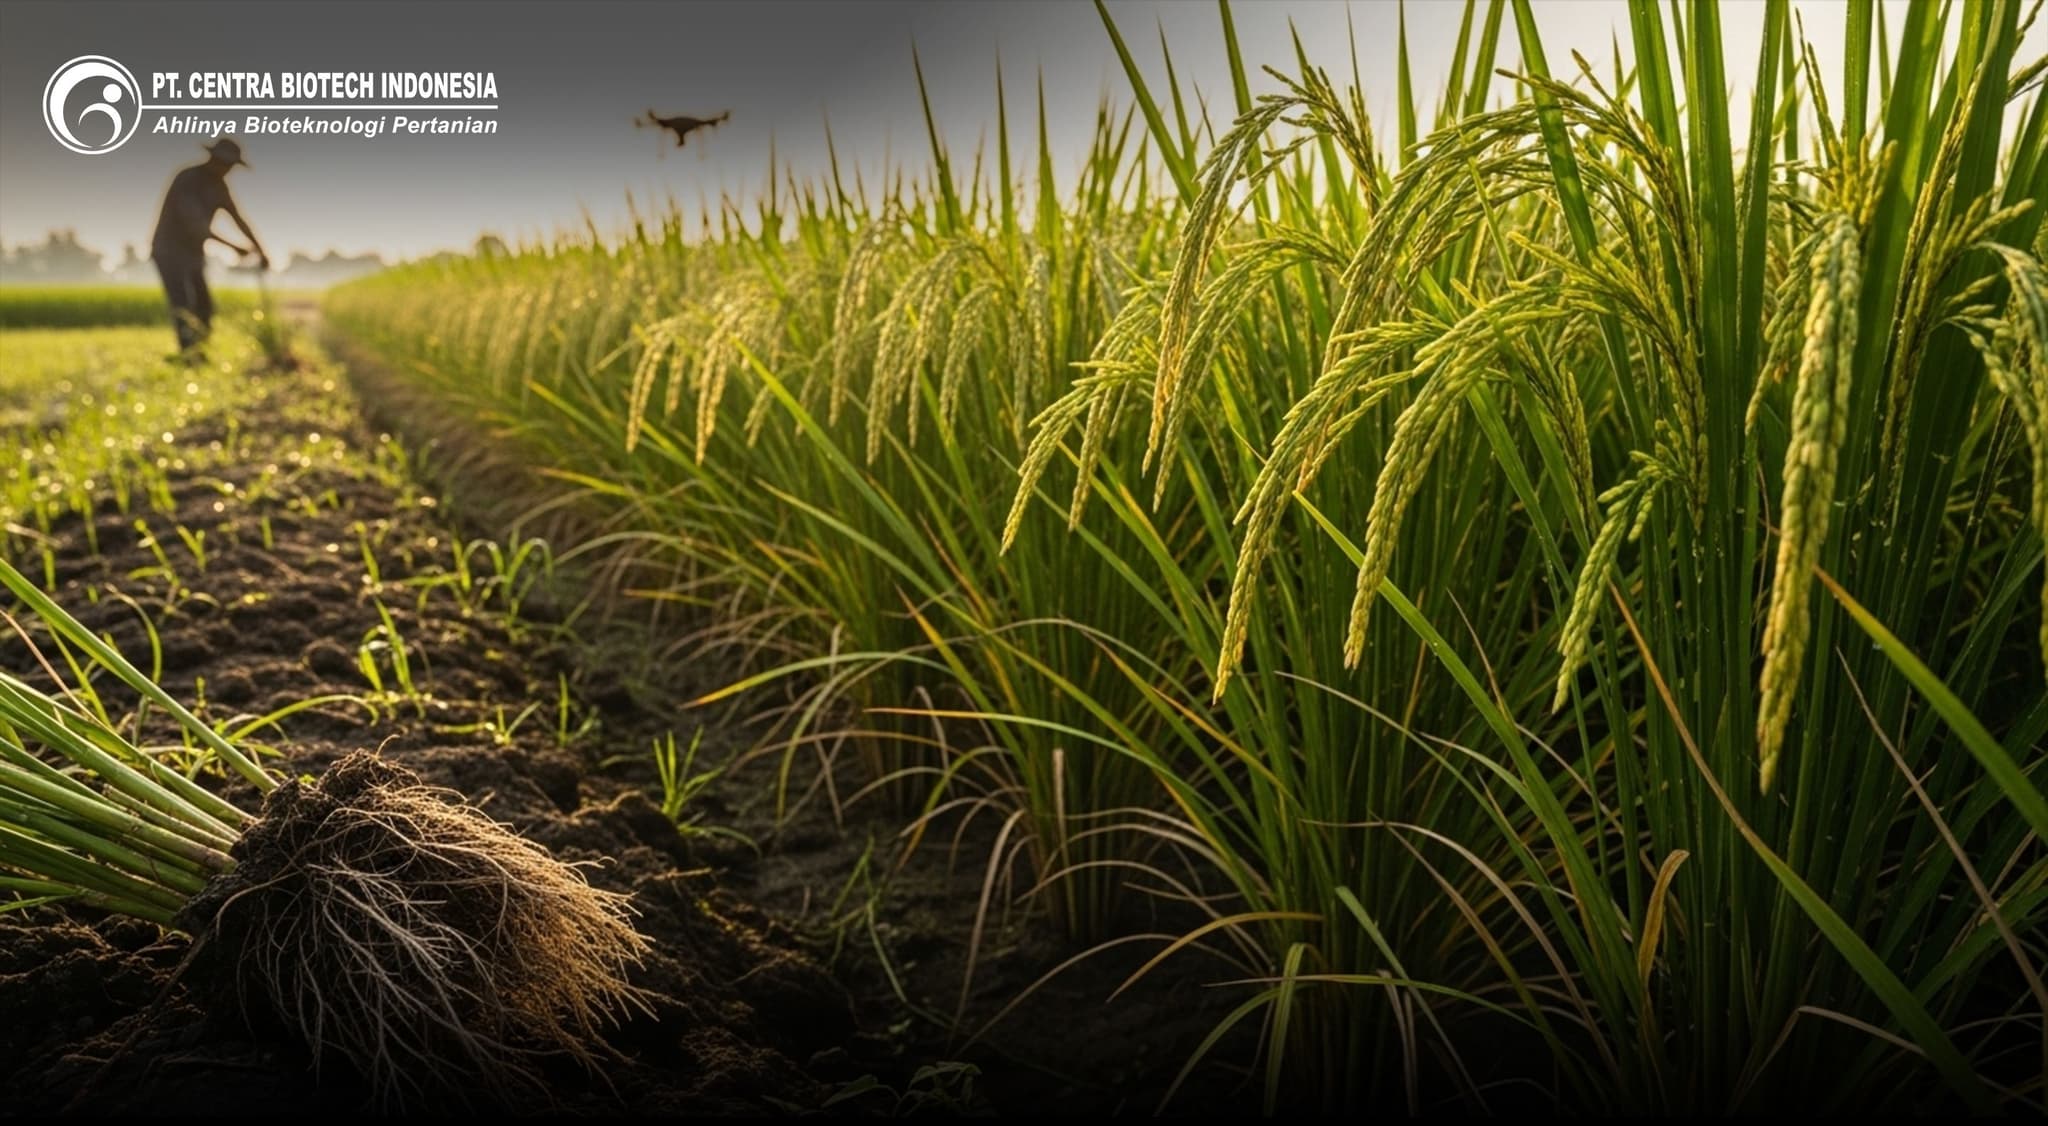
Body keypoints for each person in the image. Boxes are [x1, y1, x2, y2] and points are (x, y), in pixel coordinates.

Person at [151, 137, 268, 359]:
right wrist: (234, 247)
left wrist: (261, 250)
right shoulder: (188, 180)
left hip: (193, 253)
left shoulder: (219, 187)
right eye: (226, 164)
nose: (228, 170)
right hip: (169, 251)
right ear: (215, 159)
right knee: (183, 303)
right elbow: (196, 226)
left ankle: (201, 350)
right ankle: (188, 354)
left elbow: (238, 219)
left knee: (204, 303)